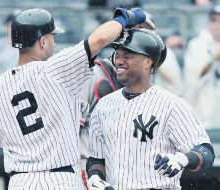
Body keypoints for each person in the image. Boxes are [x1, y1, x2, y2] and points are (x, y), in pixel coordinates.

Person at [0, 7, 155, 189]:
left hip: (20, 181)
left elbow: (1, 140)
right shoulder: (54, 69)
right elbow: (100, 39)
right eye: (53, 37)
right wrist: (127, 17)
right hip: (60, 179)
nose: (54, 42)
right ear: (43, 41)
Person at [86, 29, 215, 190]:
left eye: (127, 56)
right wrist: (95, 178)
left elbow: (206, 152)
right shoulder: (103, 106)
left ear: (148, 62)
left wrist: (183, 158)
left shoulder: (172, 105)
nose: (119, 61)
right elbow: (96, 159)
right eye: (117, 55)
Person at [184, 4, 220, 128]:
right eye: (214, 20)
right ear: (209, 23)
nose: (218, 25)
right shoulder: (197, 45)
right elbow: (193, 78)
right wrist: (213, 59)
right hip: (203, 110)